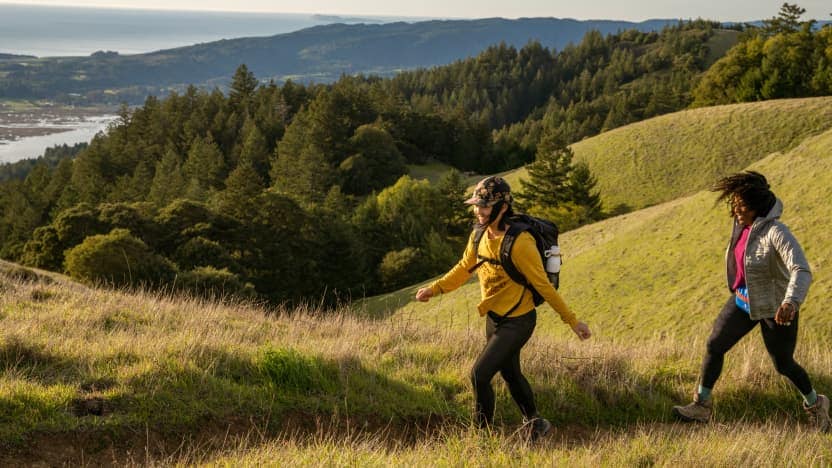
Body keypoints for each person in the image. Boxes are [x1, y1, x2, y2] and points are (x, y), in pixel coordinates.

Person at [415, 176, 592, 441]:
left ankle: (481, 436)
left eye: (484, 206)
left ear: (503, 207)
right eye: (476, 205)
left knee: (479, 375)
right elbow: (464, 268)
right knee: (510, 372)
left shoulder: (520, 243)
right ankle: (535, 422)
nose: (478, 211)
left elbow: (543, 286)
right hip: (495, 317)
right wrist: (435, 288)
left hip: (519, 320)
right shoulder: (479, 234)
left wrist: (573, 322)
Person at [673, 171, 830, 431]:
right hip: (743, 301)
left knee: (783, 364)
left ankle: (816, 404)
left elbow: (801, 269)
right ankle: (701, 406)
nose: (736, 212)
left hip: (776, 308)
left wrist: (790, 302)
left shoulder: (777, 232)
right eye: (734, 206)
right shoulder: (742, 226)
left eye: (741, 207)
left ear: (757, 209)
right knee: (715, 344)